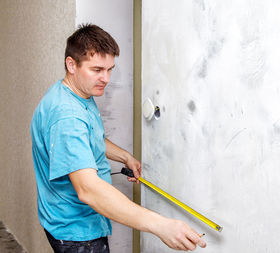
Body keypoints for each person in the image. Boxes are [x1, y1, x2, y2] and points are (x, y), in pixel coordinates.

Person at [30, 24, 206, 252]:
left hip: (70, 218)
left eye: (110, 69)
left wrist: (125, 157)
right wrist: (161, 226)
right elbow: (88, 189)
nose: (106, 78)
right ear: (71, 65)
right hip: (76, 231)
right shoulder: (67, 117)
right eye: (97, 70)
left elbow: (90, 139)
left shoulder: (76, 93)